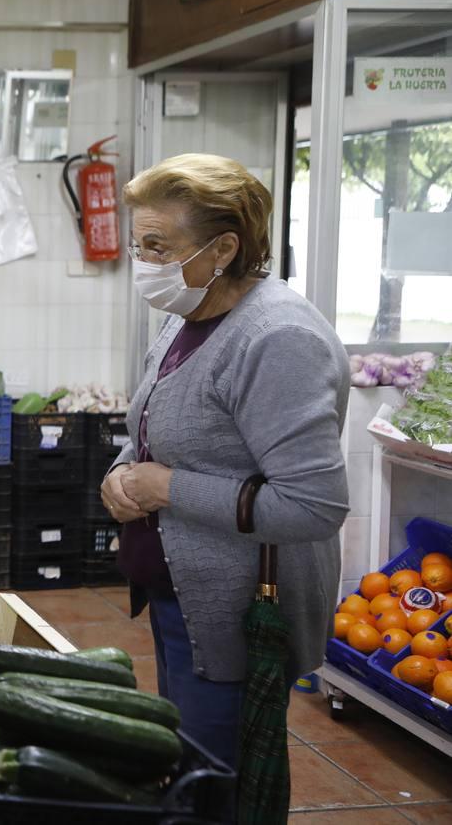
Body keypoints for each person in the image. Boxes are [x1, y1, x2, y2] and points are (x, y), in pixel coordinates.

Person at [99, 153, 349, 768]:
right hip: (180, 592)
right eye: (139, 245)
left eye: (158, 246)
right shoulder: (191, 312)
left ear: (223, 249)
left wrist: (164, 488)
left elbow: (314, 506)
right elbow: (161, 426)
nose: (144, 263)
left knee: (217, 782)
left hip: (235, 613)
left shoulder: (278, 339)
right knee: (190, 764)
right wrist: (120, 475)